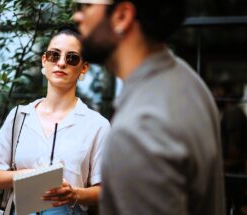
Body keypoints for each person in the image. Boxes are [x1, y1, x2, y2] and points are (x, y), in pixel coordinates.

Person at [73, 1, 225, 215]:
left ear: (122, 16)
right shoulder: (187, 80)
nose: (76, 17)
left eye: (85, 6)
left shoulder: (139, 129)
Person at [0, 29, 110, 215]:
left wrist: (74, 193)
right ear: (44, 60)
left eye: (72, 58)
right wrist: (30, 175)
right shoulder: (20, 116)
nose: (61, 63)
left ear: (83, 67)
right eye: (54, 55)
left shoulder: (97, 125)